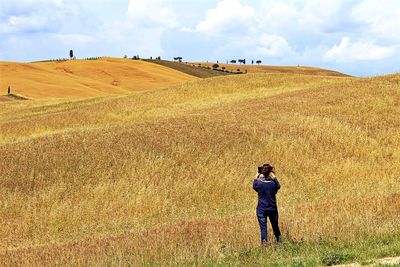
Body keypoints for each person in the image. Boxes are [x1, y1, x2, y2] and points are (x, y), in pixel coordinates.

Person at [253, 163, 282, 246]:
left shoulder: (258, 183)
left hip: (261, 209)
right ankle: (279, 242)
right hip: (272, 208)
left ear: (262, 172)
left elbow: (254, 186)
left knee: (263, 227)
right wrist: (274, 178)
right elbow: (278, 186)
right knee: (275, 226)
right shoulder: (273, 184)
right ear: (270, 172)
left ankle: (265, 242)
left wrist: (256, 176)